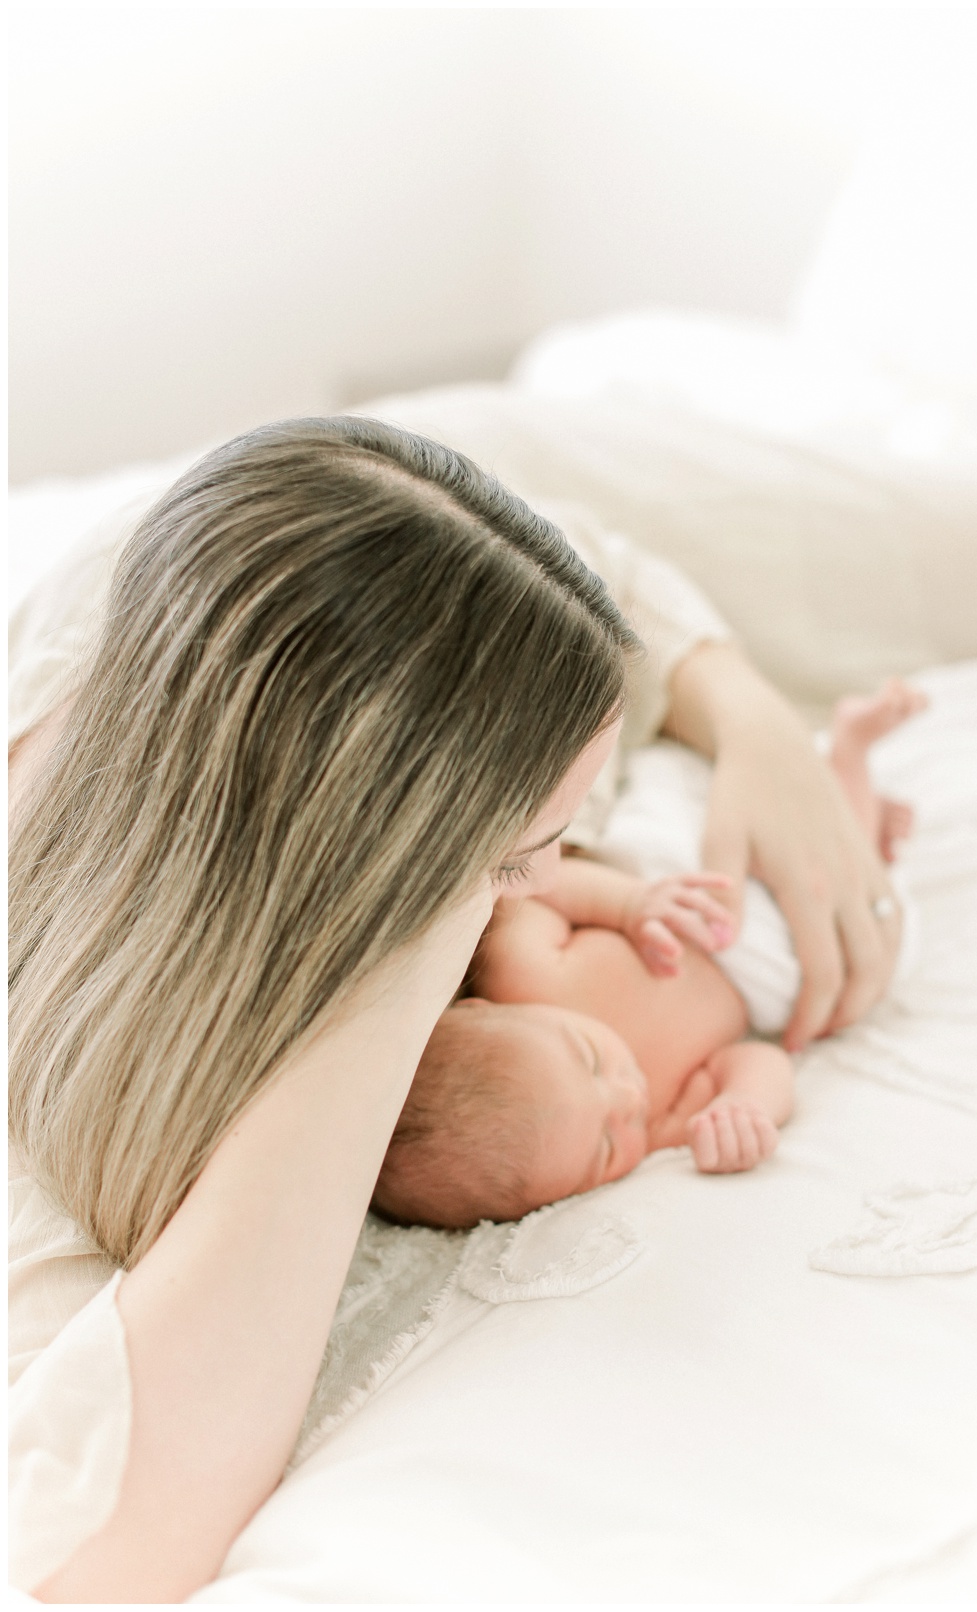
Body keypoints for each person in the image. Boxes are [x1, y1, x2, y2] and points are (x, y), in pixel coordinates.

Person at [8, 414, 901, 1602]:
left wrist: (753, 722)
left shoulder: (268, 562)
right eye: (517, 856)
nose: (551, 878)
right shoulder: (64, 1073)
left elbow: (580, 566)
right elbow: (96, 1544)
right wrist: (423, 938)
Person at [374, 682, 927, 1229]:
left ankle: (829, 776)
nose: (627, 1093)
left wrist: (630, 905)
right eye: (606, 1147)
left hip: (671, 889)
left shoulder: (522, 976)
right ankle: (853, 761)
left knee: (697, 818)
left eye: (589, 1060)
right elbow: (759, 1062)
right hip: (758, 970)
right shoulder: (658, 1121)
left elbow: (537, 886)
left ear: (479, 1011)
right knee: (844, 930)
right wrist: (746, 1108)